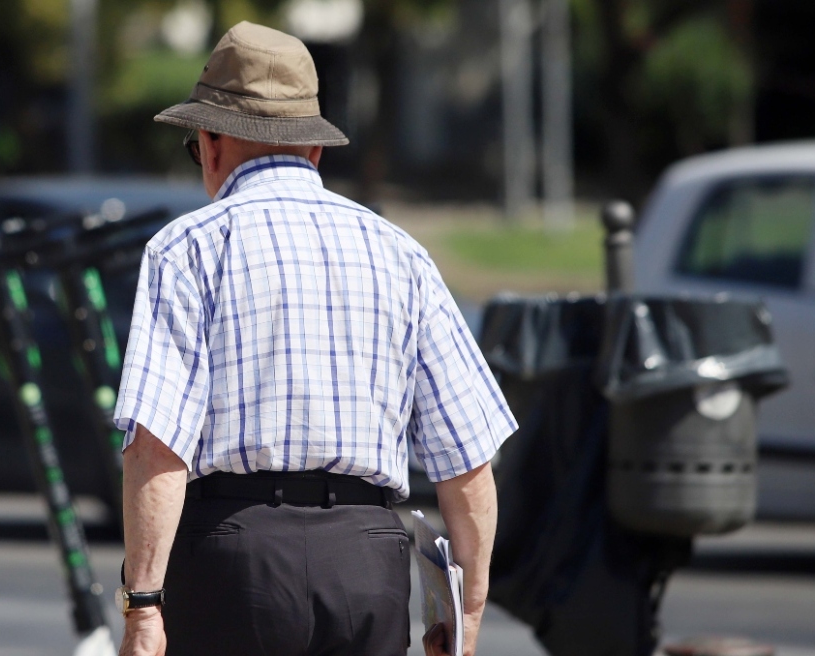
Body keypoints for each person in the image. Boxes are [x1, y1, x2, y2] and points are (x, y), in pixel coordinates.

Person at [112, 21, 516, 656]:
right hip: (366, 565)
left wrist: (142, 609)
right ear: (314, 151)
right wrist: (465, 621)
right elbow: (467, 460)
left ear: (212, 142)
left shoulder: (185, 249)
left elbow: (157, 450)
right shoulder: (400, 253)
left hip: (231, 556)